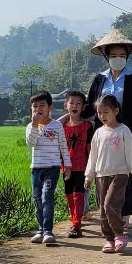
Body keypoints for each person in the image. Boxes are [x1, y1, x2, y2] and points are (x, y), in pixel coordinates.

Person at [84, 30, 132, 226]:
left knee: (125, 171)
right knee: (103, 171)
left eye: (121, 56)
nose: (117, 59)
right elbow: (90, 104)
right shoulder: (99, 79)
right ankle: (105, 212)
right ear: (107, 58)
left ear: (127, 57)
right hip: (103, 133)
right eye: (113, 56)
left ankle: (124, 214)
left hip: (127, 131)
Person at [85, 95, 132, 254]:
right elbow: (93, 156)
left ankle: (119, 234)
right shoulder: (98, 133)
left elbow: (131, 153)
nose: (102, 116)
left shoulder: (123, 130)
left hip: (120, 174)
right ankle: (109, 239)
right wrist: (89, 176)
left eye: (106, 112)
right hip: (101, 175)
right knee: (103, 210)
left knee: (110, 205)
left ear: (116, 111)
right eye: (99, 113)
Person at [25, 90, 70, 246]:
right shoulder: (31, 127)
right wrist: (35, 125)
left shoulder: (57, 126)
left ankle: (48, 231)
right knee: (37, 199)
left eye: (42, 105)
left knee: (47, 197)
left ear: (50, 107)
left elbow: (64, 147)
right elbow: (31, 143)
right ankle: (40, 229)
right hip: (36, 169)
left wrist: (68, 165)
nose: (38, 109)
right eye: (35, 106)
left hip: (52, 168)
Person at [58, 91, 92, 238]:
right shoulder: (62, 127)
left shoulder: (87, 126)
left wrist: (92, 168)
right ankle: (74, 219)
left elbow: (91, 147)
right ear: (66, 105)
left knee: (78, 194)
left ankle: (77, 225)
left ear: (83, 107)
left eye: (79, 103)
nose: (75, 106)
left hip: (82, 165)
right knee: (68, 194)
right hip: (66, 166)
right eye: (71, 102)